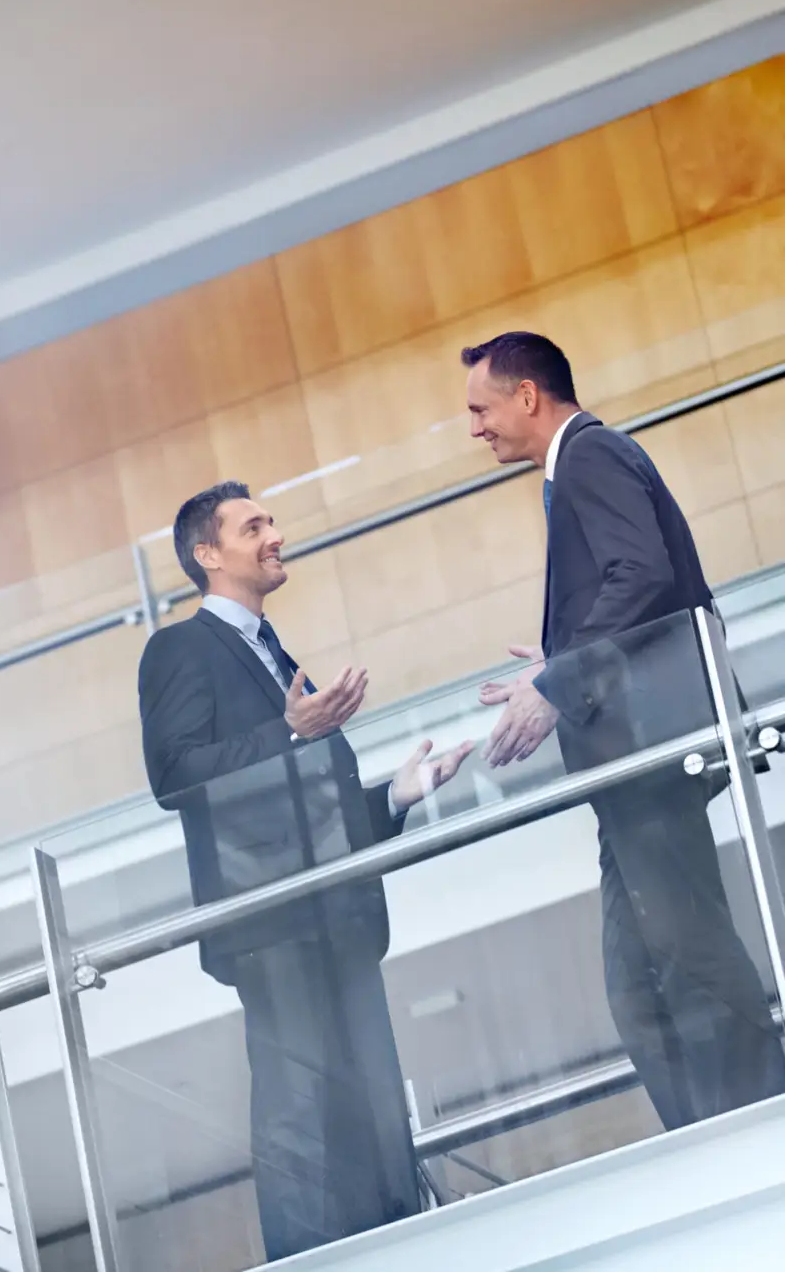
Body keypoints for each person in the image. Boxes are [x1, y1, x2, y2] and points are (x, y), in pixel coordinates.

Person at [138, 482, 470, 1261]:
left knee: (373, 1111)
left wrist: (394, 794)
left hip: (336, 924)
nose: (275, 534)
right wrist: (288, 735)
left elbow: (305, 803)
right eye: (254, 526)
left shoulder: (270, 649)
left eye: (271, 521)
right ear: (207, 554)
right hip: (272, 928)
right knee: (304, 1117)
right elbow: (175, 775)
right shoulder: (181, 648)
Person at [464, 330, 785, 1129]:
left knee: (691, 952)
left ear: (528, 395)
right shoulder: (576, 464)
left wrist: (555, 683)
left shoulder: (588, 456)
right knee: (637, 980)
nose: (476, 428)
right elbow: (636, 583)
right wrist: (559, 659)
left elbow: (642, 573)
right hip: (633, 761)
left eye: (481, 408)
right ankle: (706, 1136)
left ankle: (758, 1125)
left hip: (649, 757)